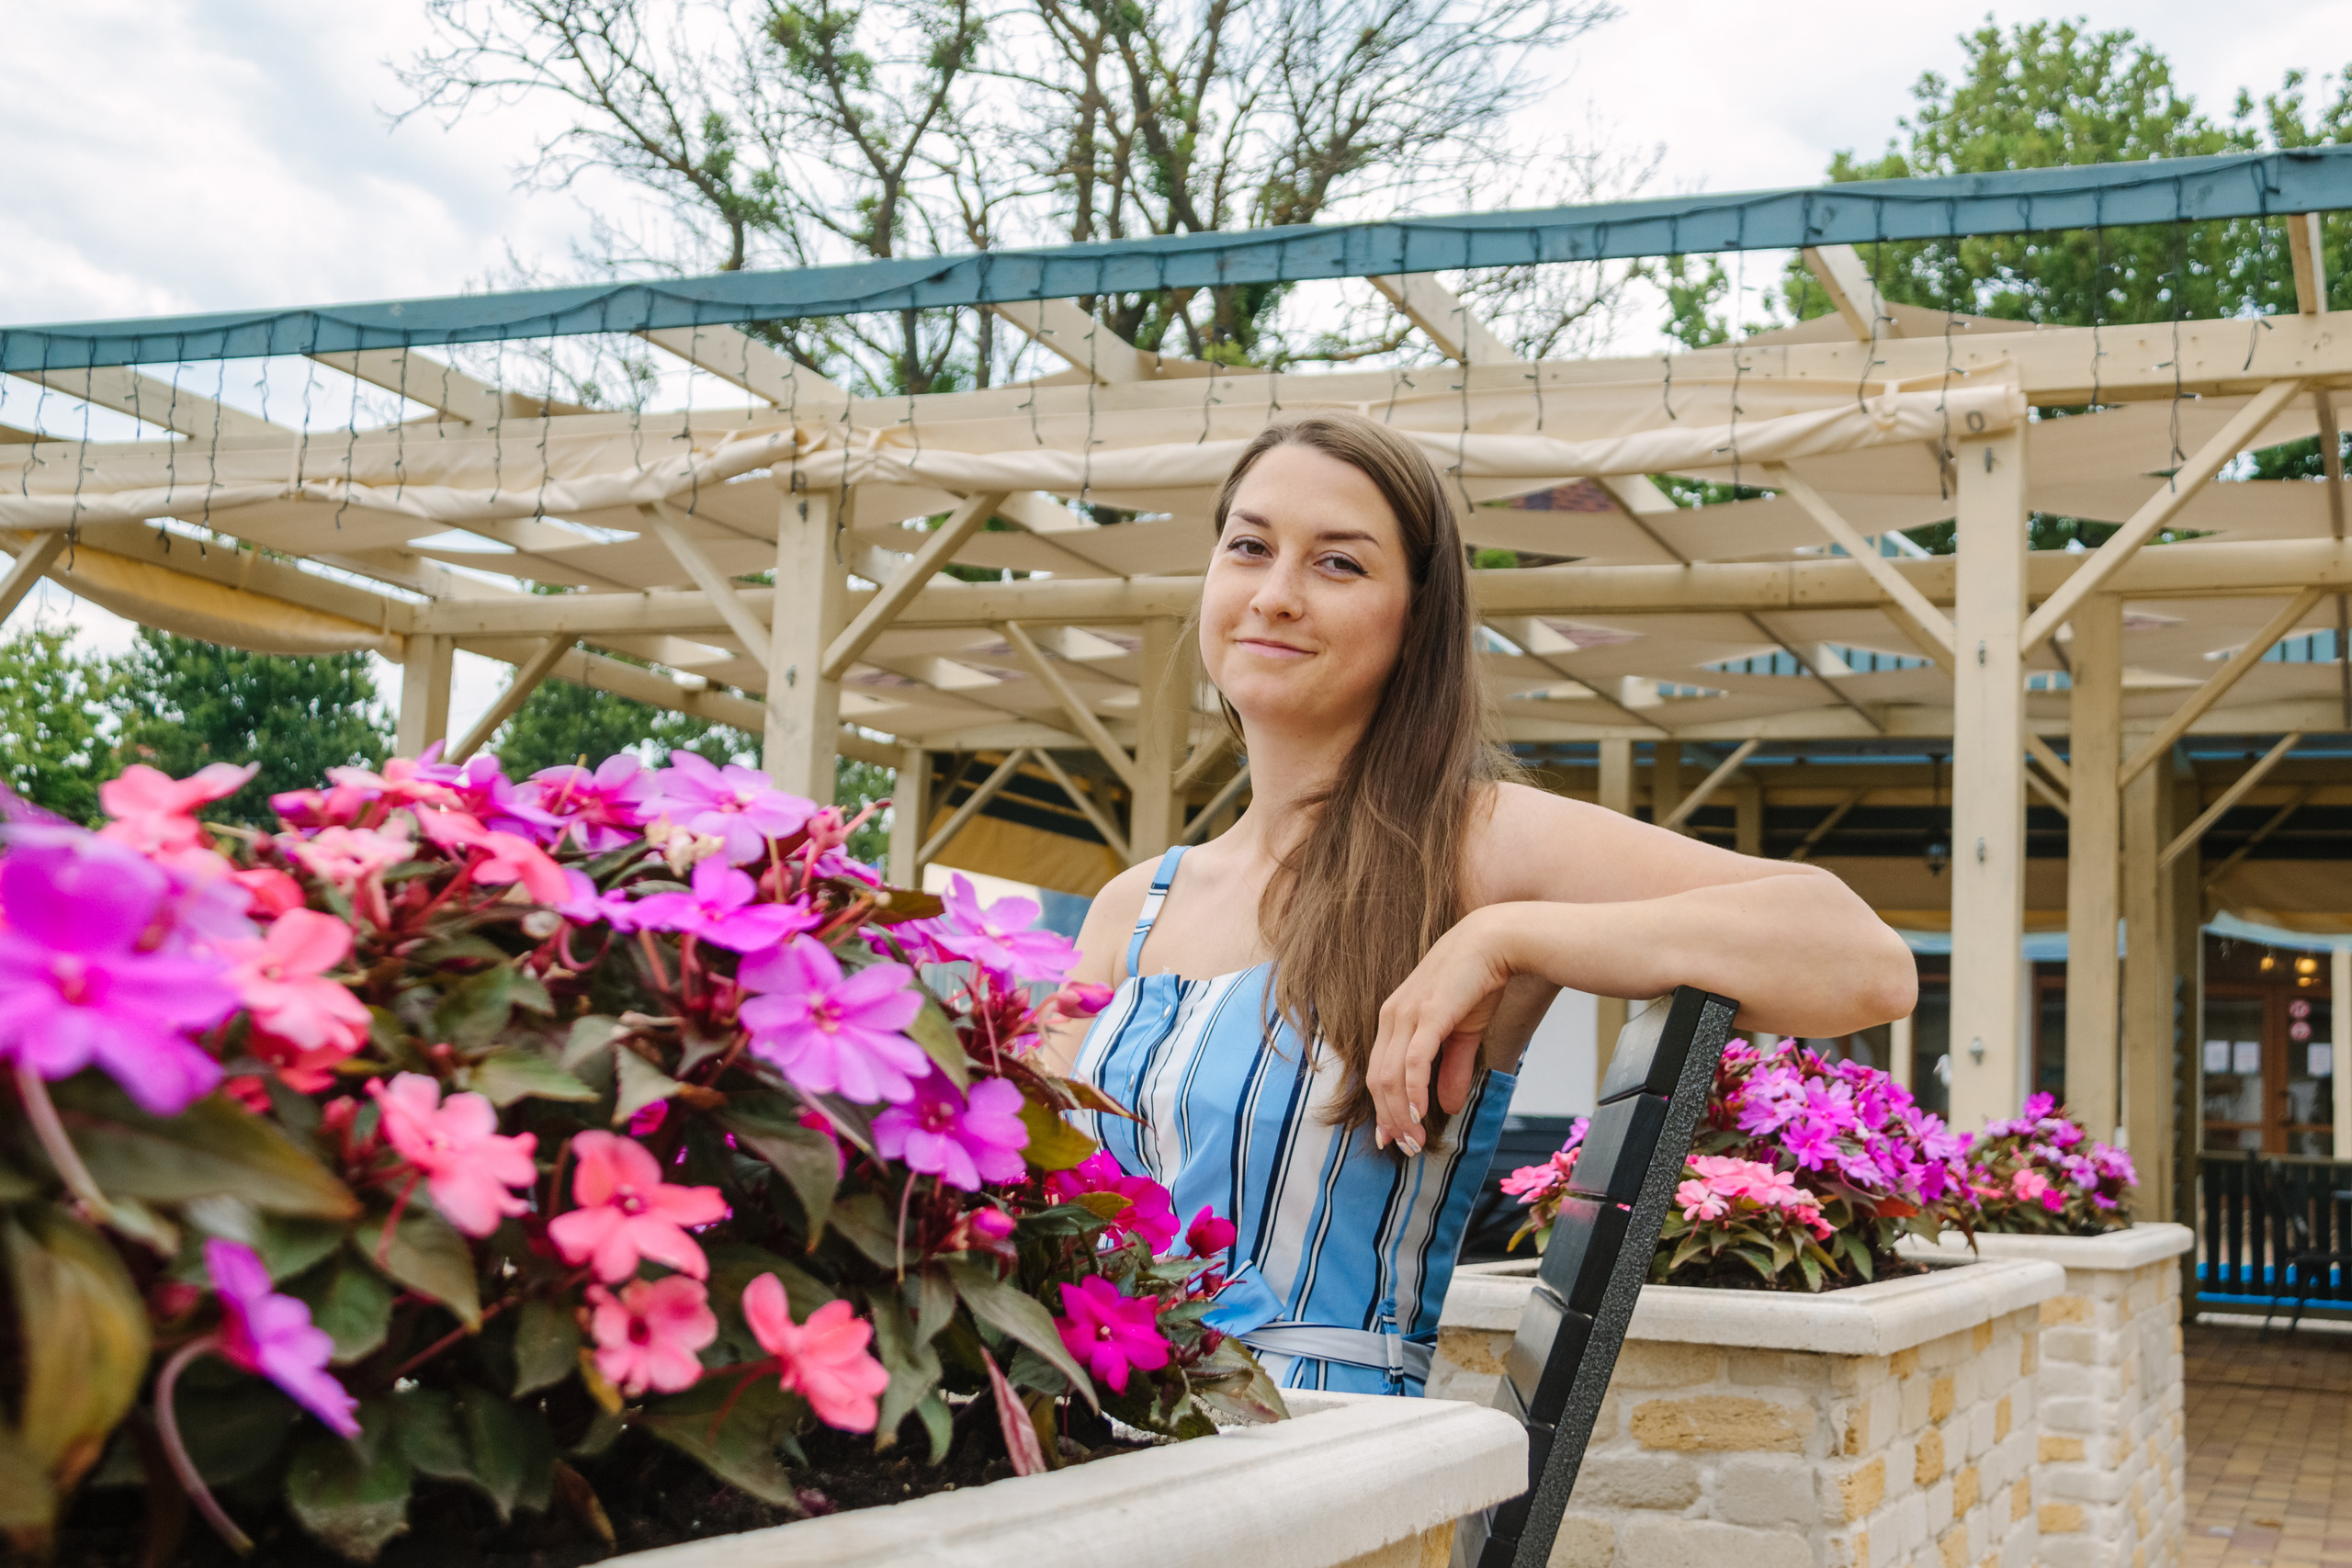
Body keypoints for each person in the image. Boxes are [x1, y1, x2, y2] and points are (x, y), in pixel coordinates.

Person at [1036, 411, 1916, 1394]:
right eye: (1249, 547)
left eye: (1338, 564)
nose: (1274, 594)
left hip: (1315, 1443)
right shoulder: (1131, 907)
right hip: (1087, 1432)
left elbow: (1864, 962)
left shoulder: (1468, 845)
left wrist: (1504, 936)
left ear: (1416, 621)